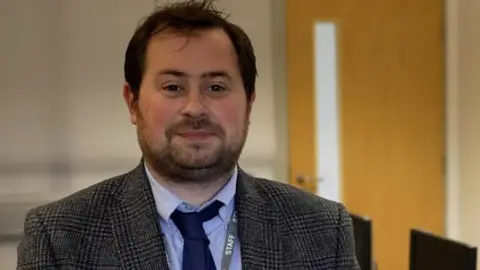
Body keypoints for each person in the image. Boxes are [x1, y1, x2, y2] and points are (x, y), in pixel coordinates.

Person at [17, 0, 359, 269]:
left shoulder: (323, 229)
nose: (195, 107)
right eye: (172, 86)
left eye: (215, 86)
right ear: (132, 103)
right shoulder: (59, 236)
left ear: (249, 103)